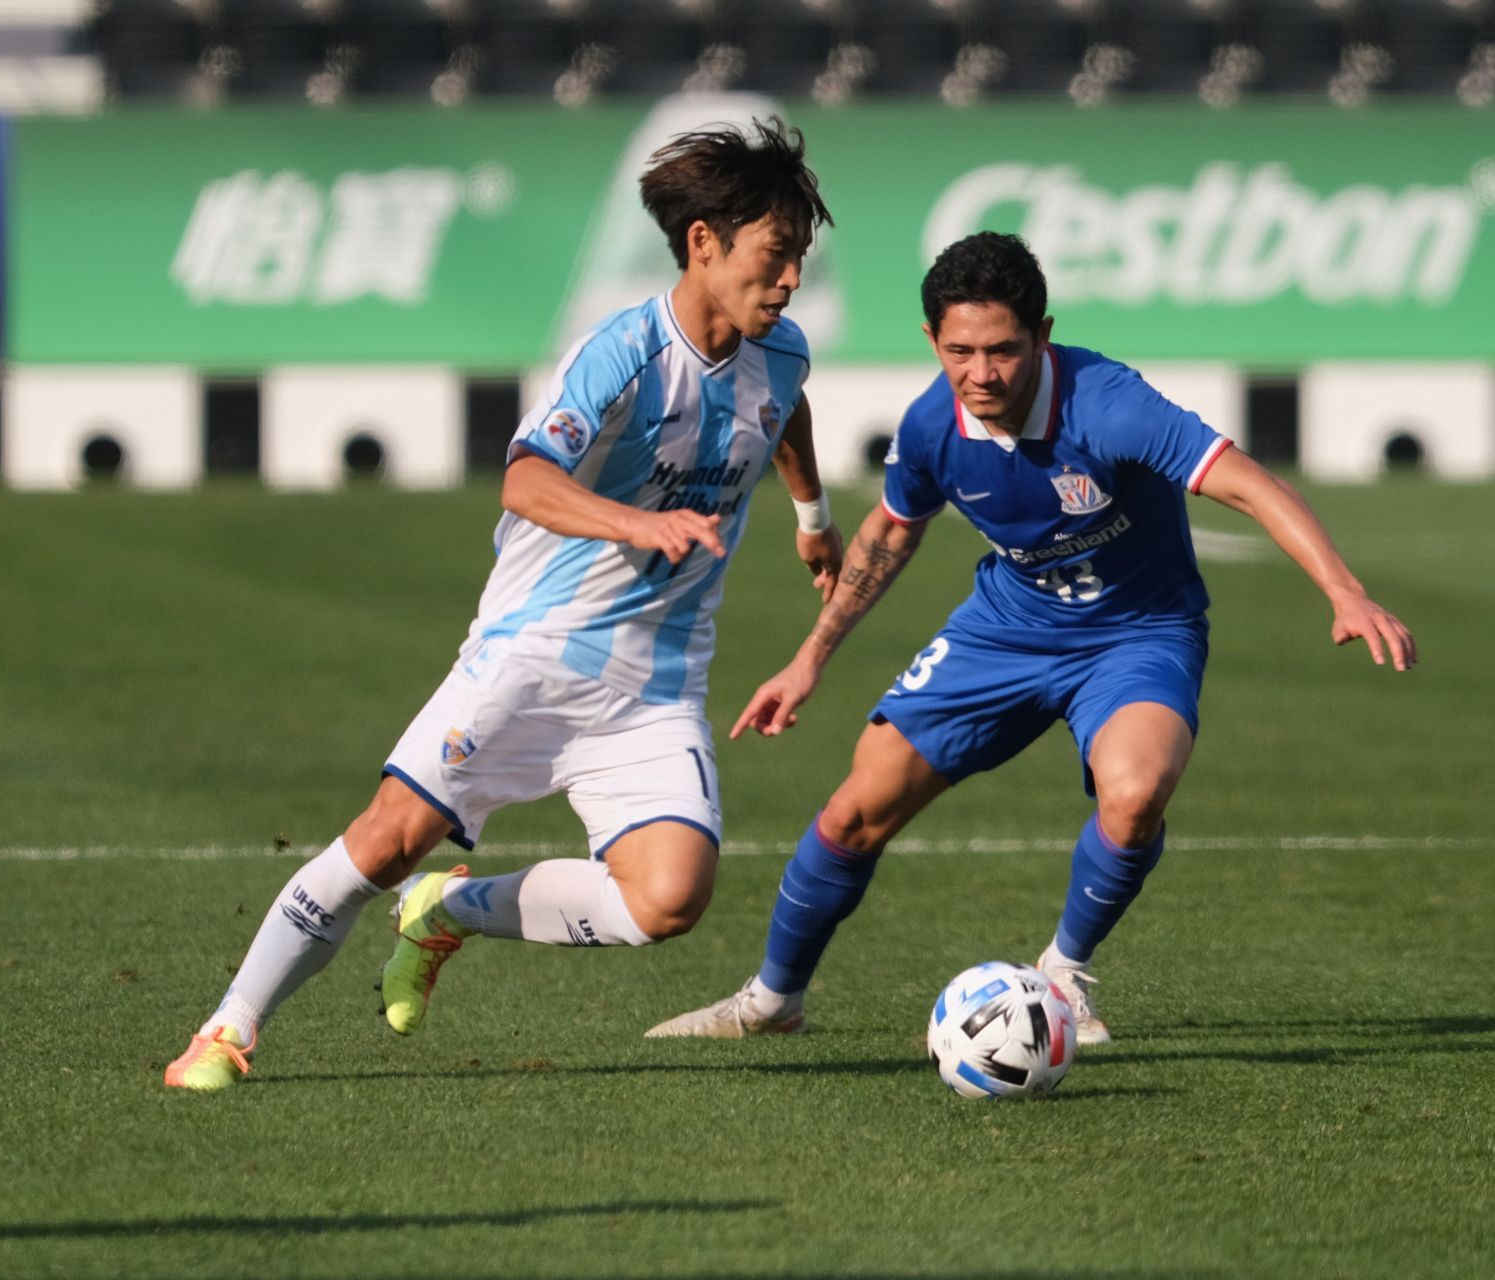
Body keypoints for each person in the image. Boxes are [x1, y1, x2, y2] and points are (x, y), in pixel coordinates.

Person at [166, 118, 841, 1091]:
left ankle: (453, 910)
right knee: (387, 841)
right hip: (531, 655)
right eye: (775, 258)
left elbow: (786, 409)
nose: (788, 282)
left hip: (654, 686)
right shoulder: (621, 353)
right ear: (704, 242)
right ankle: (228, 1027)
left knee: (669, 899)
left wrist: (811, 515)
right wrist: (634, 525)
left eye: (799, 263)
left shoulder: (782, 354)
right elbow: (524, 480)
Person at [647, 232, 1415, 1045]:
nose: (981, 373)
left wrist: (1344, 592)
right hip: (1006, 629)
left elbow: (1251, 485)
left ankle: (1064, 973)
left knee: (1135, 792)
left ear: (1042, 335)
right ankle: (771, 1002)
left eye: (1004, 350)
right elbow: (891, 531)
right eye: (960, 351)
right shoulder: (933, 426)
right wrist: (809, 660)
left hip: (1139, 632)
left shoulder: (1110, 404)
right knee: (853, 812)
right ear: (932, 342)